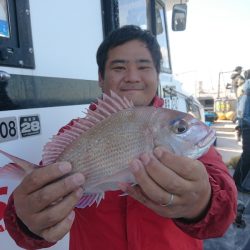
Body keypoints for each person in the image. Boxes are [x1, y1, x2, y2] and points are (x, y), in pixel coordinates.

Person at [4, 25, 237, 250]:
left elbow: (224, 209)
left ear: (157, 75)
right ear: (100, 78)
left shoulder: (186, 140)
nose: (132, 77)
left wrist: (203, 202)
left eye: (144, 66)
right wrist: (26, 223)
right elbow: (40, 197)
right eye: (118, 67)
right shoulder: (76, 132)